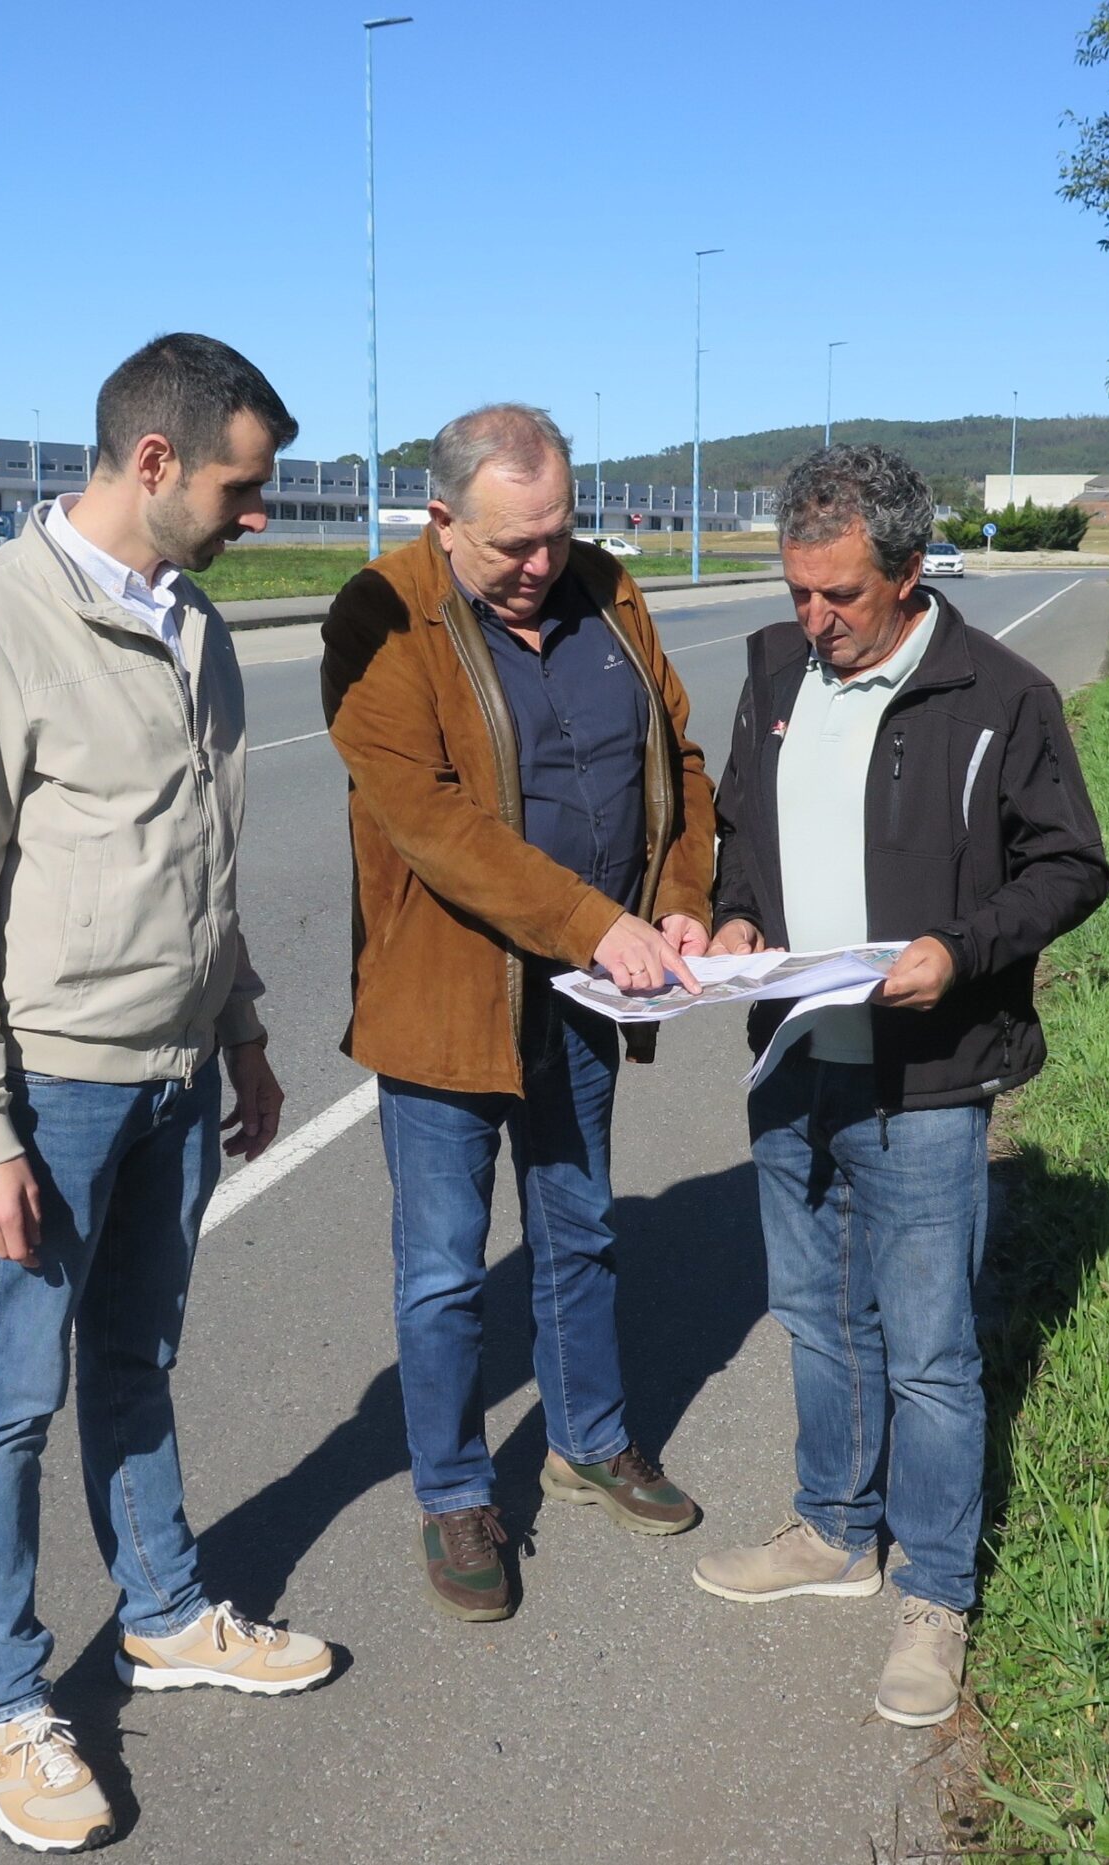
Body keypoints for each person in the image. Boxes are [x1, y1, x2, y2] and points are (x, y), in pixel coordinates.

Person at [0, 333, 331, 1854]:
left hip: (179, 1068)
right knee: (12, 1396)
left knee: (138, 1356)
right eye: (243, 485)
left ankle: (163, 1612)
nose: (258, 513)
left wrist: (250, 1033)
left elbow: (200, 864)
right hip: (54, 1087)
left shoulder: (196, 623)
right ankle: (5, 1705)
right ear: (156, 463)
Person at [691, 444, 1109, 1728]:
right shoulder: (773, 669)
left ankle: (935, 1591)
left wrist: (961, 950)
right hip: (792, 1053)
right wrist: (729, 920)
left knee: (927, 1349)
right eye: (797, 590)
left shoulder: (1003, 694)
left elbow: (1070, 866)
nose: (812, 621)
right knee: (815, 1312)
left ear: (909, 572)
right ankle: (833, 1525)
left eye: (840, 599)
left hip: (929, 1070)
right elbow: (742, 835)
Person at [320, 403, 718, 1623]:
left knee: (579, 1225)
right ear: (441, 521)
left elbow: (679, 762)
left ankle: (588, 1441)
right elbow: (433, 821)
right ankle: (453, 1491)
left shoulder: (611, 594)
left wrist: (681, 896)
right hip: (447, 1003)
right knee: (443, 1271)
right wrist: (595, 920)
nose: (542, 564)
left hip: (587, 993)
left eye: (557, 532)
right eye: (511, 546)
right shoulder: (378, 615)